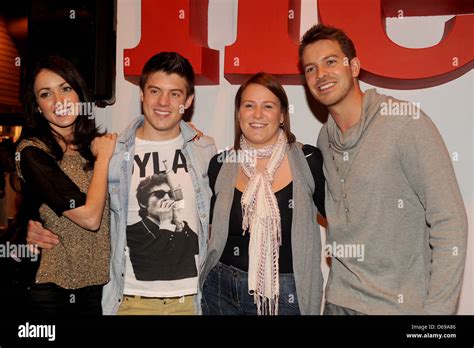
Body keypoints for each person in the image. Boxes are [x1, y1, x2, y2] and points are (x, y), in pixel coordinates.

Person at [27, 52, 217, 315]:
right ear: (141, 94)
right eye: (154, 91)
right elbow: (72, 197)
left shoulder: (204, 149)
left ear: (188, 101)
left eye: (174, 94)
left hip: (191, 301)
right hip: (129, 301)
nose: (163, 102)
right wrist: (33, 219)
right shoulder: (111, 152)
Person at [299, 24, 468, 314]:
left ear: (353, 66)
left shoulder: (405, 123)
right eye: (311, 69)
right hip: (337, 302)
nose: (321, 75)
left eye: (330, 62)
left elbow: (450, 223)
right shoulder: (324, 140)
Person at [199, 72, 326, 315]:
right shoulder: (221, 164)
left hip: (285, 292)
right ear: (239, 114)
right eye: (249, 106)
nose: (257, 115)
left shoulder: (308, 162)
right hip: (220, 288)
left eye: (268, 106)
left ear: (282, 116)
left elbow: (343, 219)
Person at [15, 56, 117, 316]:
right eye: (46, 94)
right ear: (37, 106)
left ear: (79, 93)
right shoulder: (33, 152)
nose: (59, 101)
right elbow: (90, 217)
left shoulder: (94, 145)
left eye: (65, 88)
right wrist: (103, 158)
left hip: (96, 287)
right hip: (52, 289)